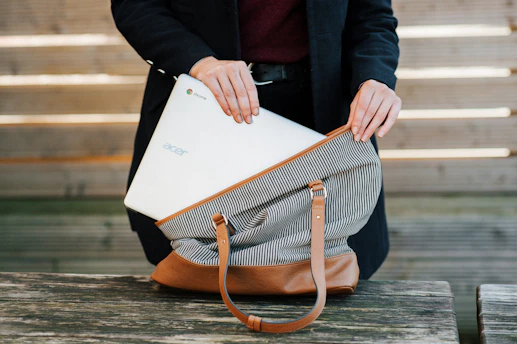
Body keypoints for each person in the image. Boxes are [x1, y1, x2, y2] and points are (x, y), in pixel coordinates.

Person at [111, 0, 401, 280]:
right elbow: (136, 6)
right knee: (195, 273)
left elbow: (371, 16)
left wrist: (376, 76)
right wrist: (198, 62)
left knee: (335, 269)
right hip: (208, 105)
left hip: (320, 119)